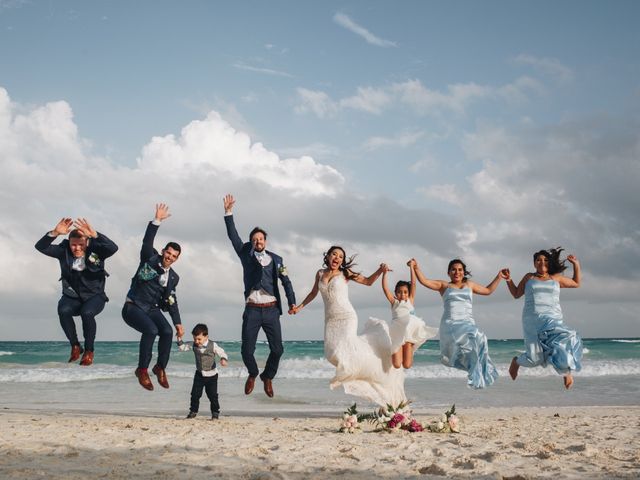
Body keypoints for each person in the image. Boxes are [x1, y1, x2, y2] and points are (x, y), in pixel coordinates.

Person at [292, 246, 406, 407]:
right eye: (334, 254)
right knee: (331, 352)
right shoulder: (319, 273)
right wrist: (299, 307)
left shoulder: (345, 274)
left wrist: (381, 271)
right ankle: (356, 372)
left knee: (343, 351)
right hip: (330, 320)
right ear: (328, 256)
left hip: (347, 317)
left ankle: (351, 373)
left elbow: (367, 282)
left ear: (342, 261)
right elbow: (312, 293)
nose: (337, 258)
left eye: (340, 256)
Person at [223, 194, 296, 398]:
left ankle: (268, 376)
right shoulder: (245, 254)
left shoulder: (277, 259)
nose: (258, 241)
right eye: (254, 239)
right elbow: (233, 236)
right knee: (247, 350)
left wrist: (292, 302)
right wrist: (228, 213)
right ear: (251, 242)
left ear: (265, 241)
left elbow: (286, 282)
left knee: (278, 350)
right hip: (252, 309)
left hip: (272, 309)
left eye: (261, 238)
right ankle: (253, 373)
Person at [35, 217, 118, 366]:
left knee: (87, 313)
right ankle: (75, 346)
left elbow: (113, 248)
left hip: (95, 296)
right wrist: (54, 233)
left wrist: (95, 234)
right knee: (63, 310)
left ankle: (89, 351)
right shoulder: (63, 251)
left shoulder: (97, 250)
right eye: (74, 245)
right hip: (72, 296)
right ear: (70, 243)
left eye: (81, 244)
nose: (77, 248)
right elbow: (40, 247)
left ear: (86, 242)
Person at [412, 258, 504, 389]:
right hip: (451, 324)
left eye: (460, 270)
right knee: (462, 346)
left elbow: (488, 291)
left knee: (481, 338)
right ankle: (471, 368)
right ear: (449, 272)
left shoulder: (470, 285)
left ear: (464, 272)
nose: (457, 272)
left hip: (468, 322)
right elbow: (424, 281)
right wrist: (416, 267)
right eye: (453, 270)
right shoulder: (444, 286)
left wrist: (499, 276)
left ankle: (475, 370)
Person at [122, 203, 185, 391]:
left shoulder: (174, 277)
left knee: (166, 332)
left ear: (176, 258)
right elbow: (147, 241)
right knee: (151, 331)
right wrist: (156, 221)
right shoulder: (150, 258)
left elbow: (172, 302)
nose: (170, 257)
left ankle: (159, 368)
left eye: (174, 256)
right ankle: (142, 370)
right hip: (133, 306)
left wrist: (178, 323)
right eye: (168, 253)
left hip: (151, 309)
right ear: (163, 251)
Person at [503, 247, 583, 389]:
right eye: (538, 260)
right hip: (532, 321)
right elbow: (516, 293)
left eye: (545, 260)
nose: (542, 262)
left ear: (549, 262)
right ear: (534, 263)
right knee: (534, 359)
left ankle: (566, 372)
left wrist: (576, 264)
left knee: (566, 340)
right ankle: (516, 361)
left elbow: (576, 283)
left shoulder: (556, 278)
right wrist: (508, 280)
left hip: (553, 319)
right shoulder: (529, 277)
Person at [380, 262, 437, 369]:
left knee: (407, 365)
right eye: (399, 292)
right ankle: (394, 353)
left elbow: (414, 284)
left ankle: (409, 346)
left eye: (405, 292)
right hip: (397, 333)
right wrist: (384, 274)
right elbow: (385, 289)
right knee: (397, 365)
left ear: (408, 292)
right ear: (396, 293)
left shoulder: (410, 300)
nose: (402, 294)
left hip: (409, 333)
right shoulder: (394, 302)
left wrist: (411, 267)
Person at [178, 323, 228, 420]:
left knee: (212, 395)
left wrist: (223, 359)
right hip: (199, 374)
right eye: (195, 339)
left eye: (199, 339)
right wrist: (179, 338)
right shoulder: (194, 344)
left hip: (212, 375)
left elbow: (221, 352)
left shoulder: (212, 345)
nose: (197, 341)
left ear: (206, 337)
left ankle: (215, 412)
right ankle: (193, 411)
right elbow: (182, 347)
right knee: (195, 394)